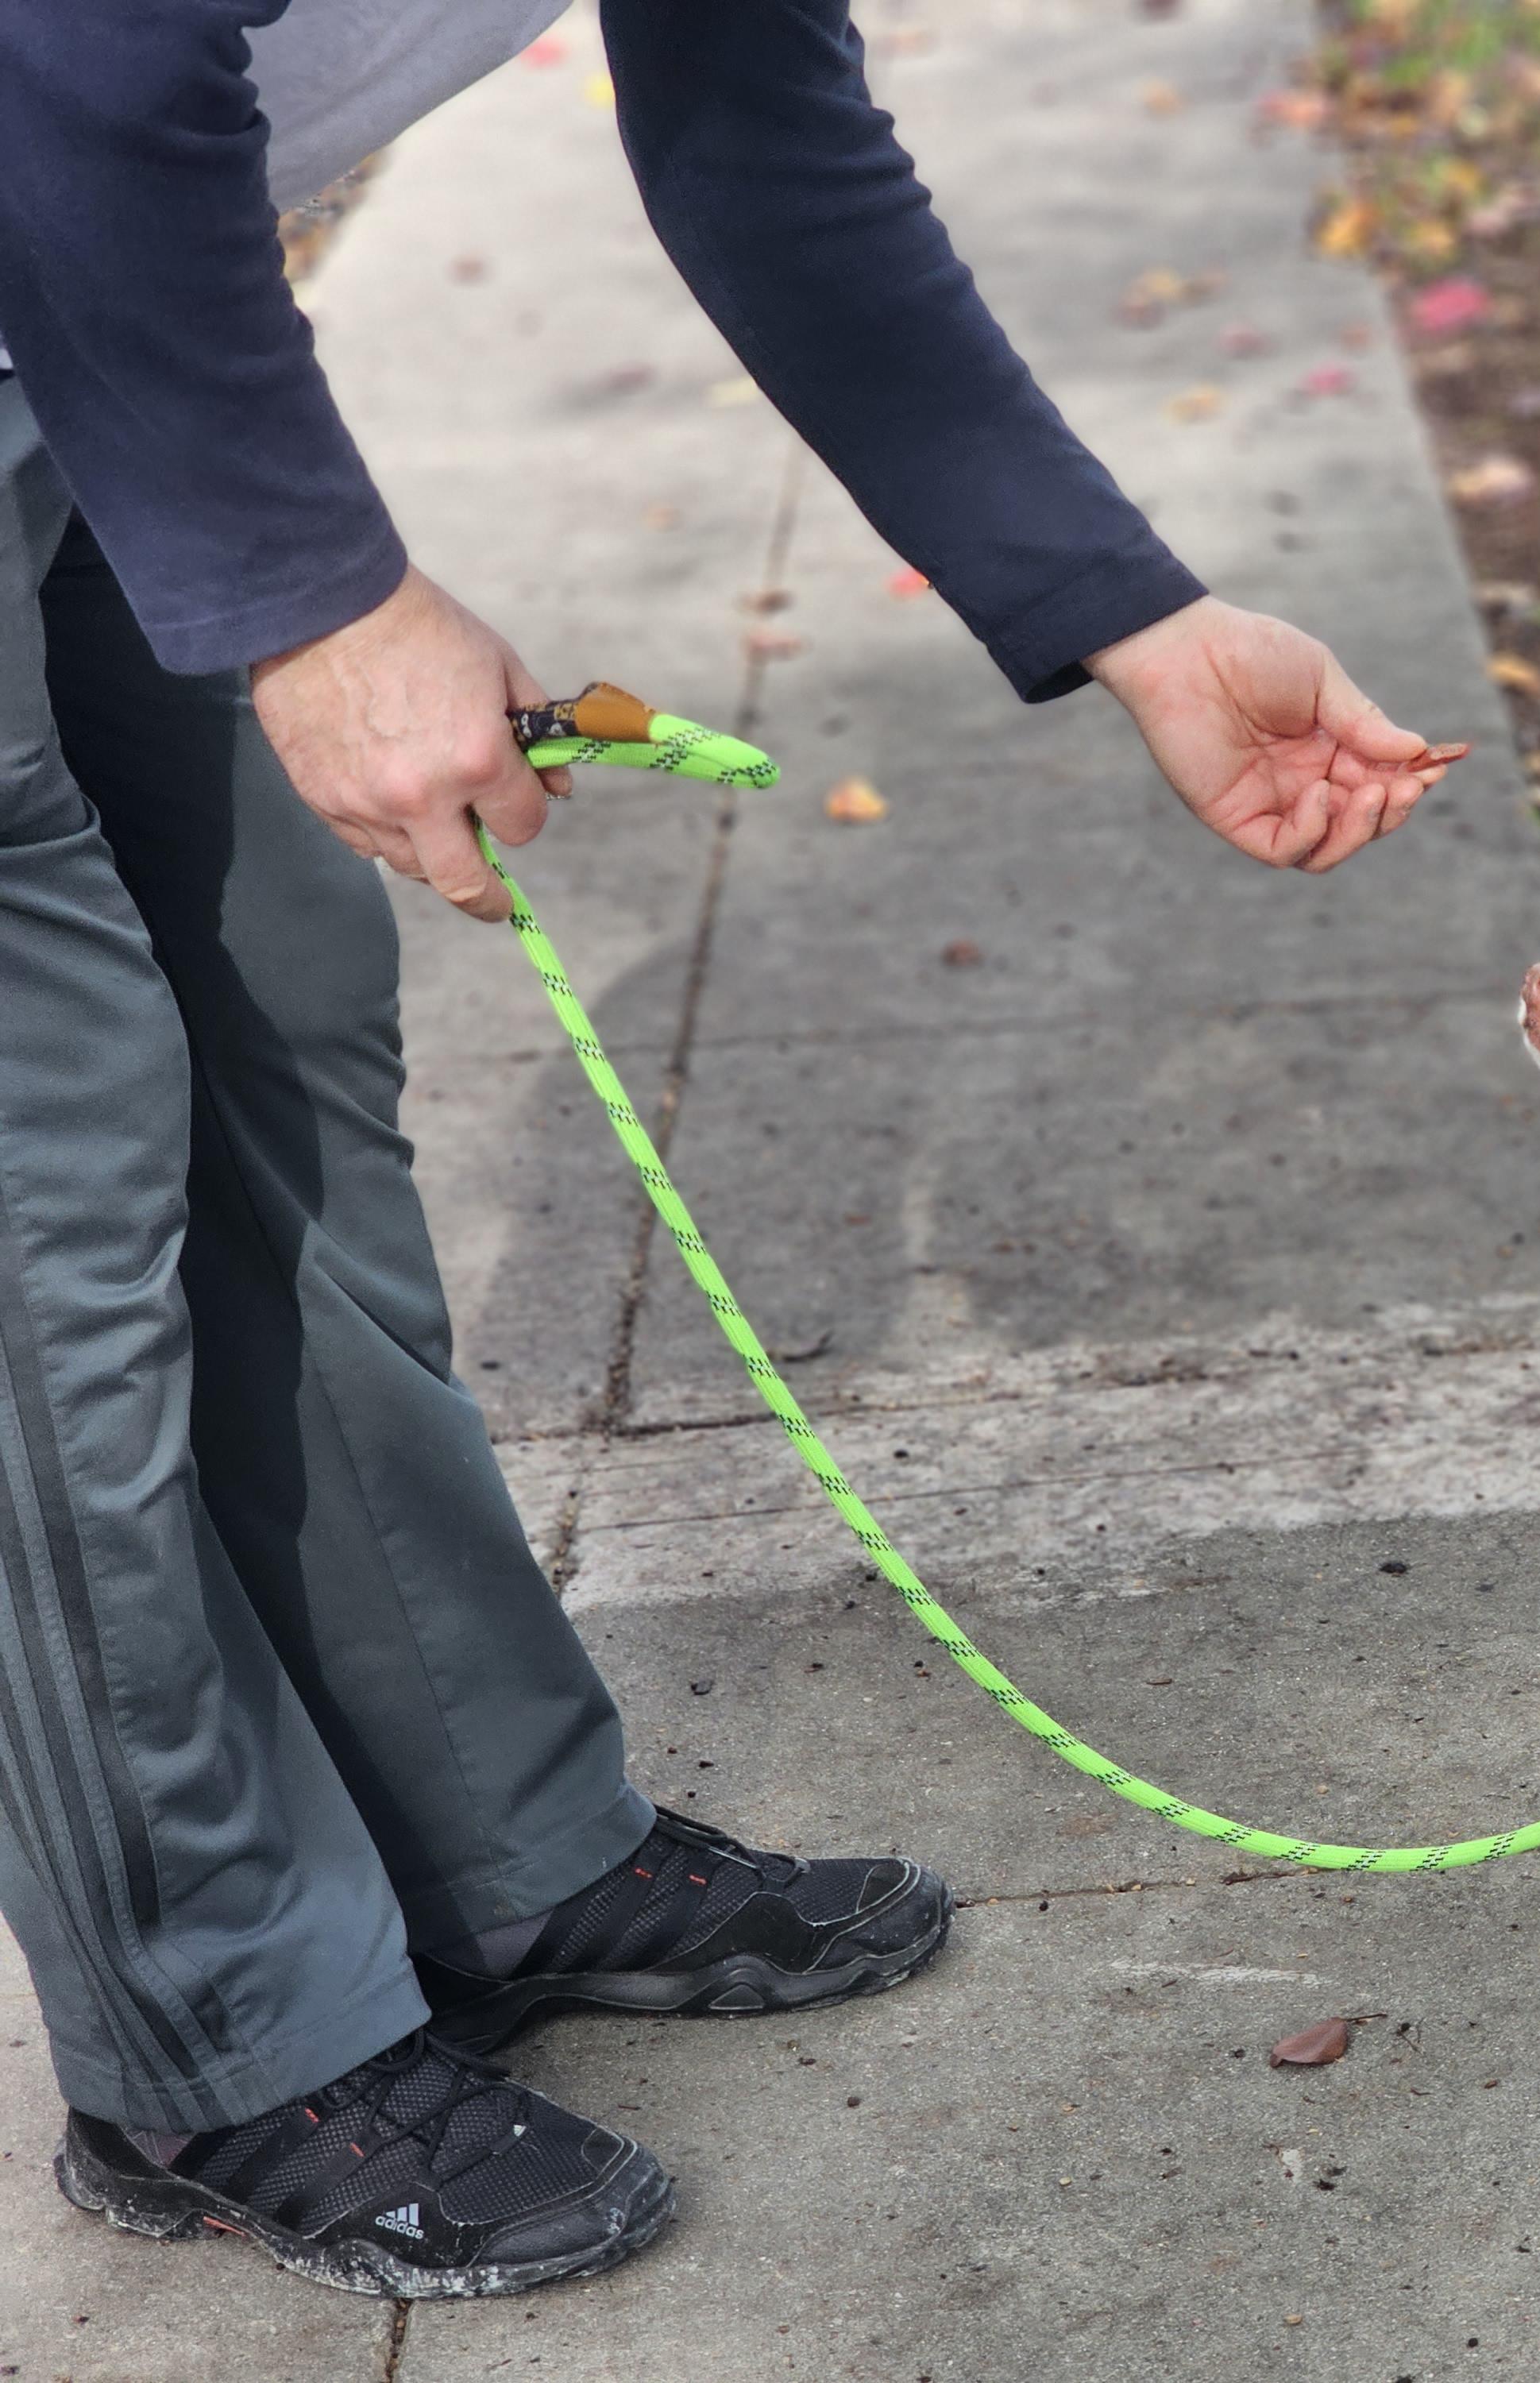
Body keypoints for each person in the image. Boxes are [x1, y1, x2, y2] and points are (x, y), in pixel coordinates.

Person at [0, 2, 1449, 2300]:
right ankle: (213, 2039)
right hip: (58, 182)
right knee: (40, 1241)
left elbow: (759, 122)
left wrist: (1131, 615)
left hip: (69, 318)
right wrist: (313, 598)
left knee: (280, 1063)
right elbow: (68, 52)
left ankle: (489, 1850)